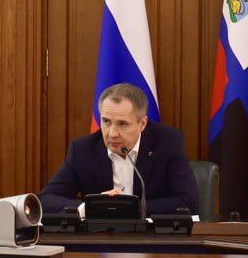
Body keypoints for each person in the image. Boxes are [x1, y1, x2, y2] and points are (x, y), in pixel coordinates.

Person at [39, 83, 199, 217]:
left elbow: (189, 201)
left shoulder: (167, 143)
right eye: (106, 122)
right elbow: (46, 199)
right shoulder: (83, 149)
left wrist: (130, 208)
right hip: (100, 238)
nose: (112, 134)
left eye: (122, 124)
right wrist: (88, 207)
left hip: (152, 239)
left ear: (142, 124)